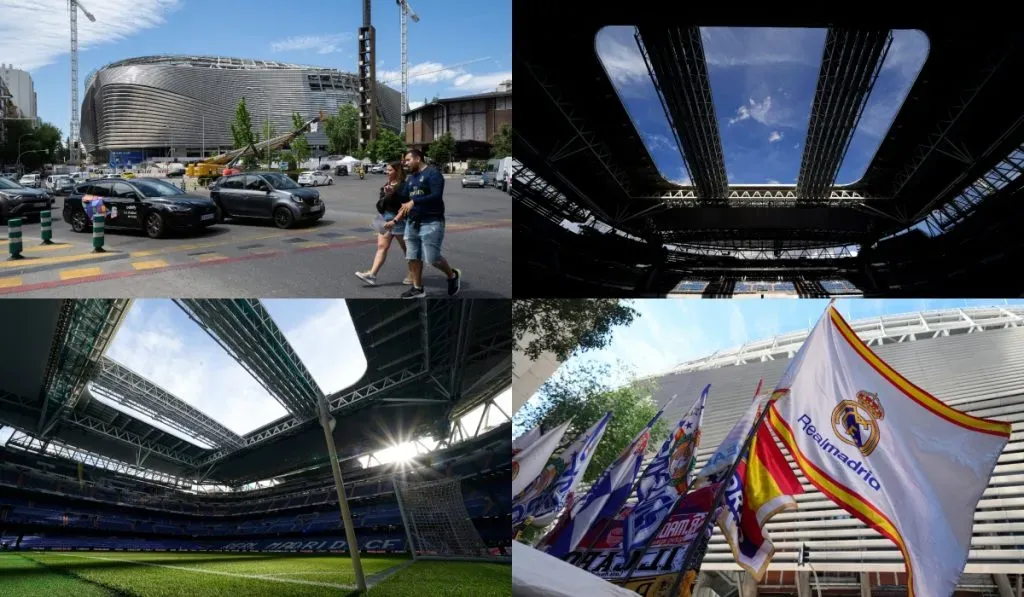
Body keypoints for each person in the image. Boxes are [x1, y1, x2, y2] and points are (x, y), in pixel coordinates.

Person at [386, 149, 461, 298]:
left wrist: (414, 201)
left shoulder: (433, 174)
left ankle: (452, 275)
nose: (405, 164)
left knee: (432, 259)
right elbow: (404, 198)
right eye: (404, 161)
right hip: (412, 222)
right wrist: (392, 192)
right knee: (412, 256)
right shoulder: (412, 178)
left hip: (431, 221)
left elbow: (436, 196)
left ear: (418, 158)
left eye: (408, 160)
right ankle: (418, 288)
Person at [354, 162, 413, 286]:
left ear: (397, 171)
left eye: (390, 170)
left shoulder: (404, 186)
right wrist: (386, 193)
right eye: (387, 170)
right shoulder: (387, 184)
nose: (387, 172)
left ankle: (413, 274)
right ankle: (372, 274)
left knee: (407, 250)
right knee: (382, 247)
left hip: (398, 220)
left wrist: (393, 194)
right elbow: (383, 202)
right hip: (384, 218)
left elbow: (405, 205)